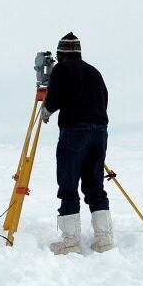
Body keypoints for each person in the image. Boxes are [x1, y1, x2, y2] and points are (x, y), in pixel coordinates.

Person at [41, 32, 114, 254]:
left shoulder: (62, 70)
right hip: (100, 131)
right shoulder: (94, 72)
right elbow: (105, 98)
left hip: (74, 131)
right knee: (95, 186)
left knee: (68, 184)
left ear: (61, 53)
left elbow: (56, 96)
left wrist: (46, 109)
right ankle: (104, 239)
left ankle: (70, 240)